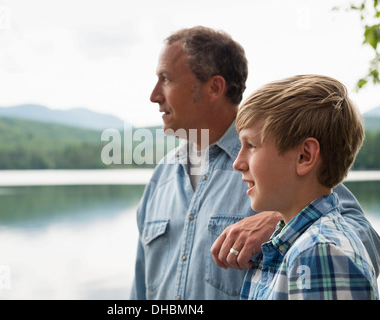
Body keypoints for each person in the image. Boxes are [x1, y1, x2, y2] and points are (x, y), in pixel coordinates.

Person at [130, 26, 380, 300]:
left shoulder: (280, 157)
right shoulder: (161, 177)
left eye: (166, 79)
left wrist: (283, 222)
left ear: (214, 86)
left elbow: (357, 239)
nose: (154, 95)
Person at [233, 74, 378, 299]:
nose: (238, 163)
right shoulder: (295, 246)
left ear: (304, 156)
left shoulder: (319, 253)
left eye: (251, 145)